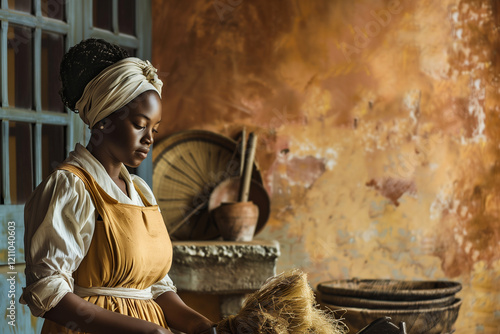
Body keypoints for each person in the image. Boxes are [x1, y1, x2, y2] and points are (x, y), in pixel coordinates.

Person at [20, 38, 216, 334]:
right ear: (102, 121)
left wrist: (199, 324)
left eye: (155, 129)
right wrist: (145, 331)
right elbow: (50, 295)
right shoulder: (71, 187)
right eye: (139, 124)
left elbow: (155, 287)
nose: (149, 138)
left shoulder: (140, 192)